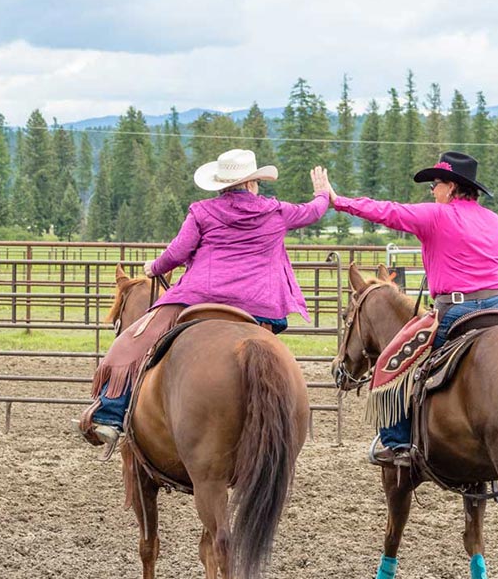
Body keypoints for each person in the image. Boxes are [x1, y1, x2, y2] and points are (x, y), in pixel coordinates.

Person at [79, 148, 330, 448]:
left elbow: (177, 253)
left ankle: (110, 412)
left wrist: (154, 267)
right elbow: (313, 211)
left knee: (135, 339)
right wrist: (322, 194)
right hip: (259, 304)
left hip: (199, 297)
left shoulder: (202, 211)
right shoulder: (277, 212)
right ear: (252, 183)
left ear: (222, 185)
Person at [312, 151, 498, 467]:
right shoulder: (495, 220)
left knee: (390, 364)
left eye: (435, 184)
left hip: (456, 311)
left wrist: (337, 200)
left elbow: (388, 212)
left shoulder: (436, 215)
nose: (432, 191)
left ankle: (397, 444)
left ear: (450, 186)